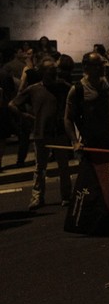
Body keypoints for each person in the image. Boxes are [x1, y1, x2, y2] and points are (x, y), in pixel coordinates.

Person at [9, 58, 73, 210]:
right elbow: (12, 104)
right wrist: (26, 117)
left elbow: (76, 94)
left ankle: (66, 196)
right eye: (51, 72)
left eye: (55, 72)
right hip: (41, 133)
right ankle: (37, 198)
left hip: (59, 132)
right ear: (44, 73)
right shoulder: (34, 89)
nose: (54, 75)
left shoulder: (62, 86)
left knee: (63, 167)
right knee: (40, 168)